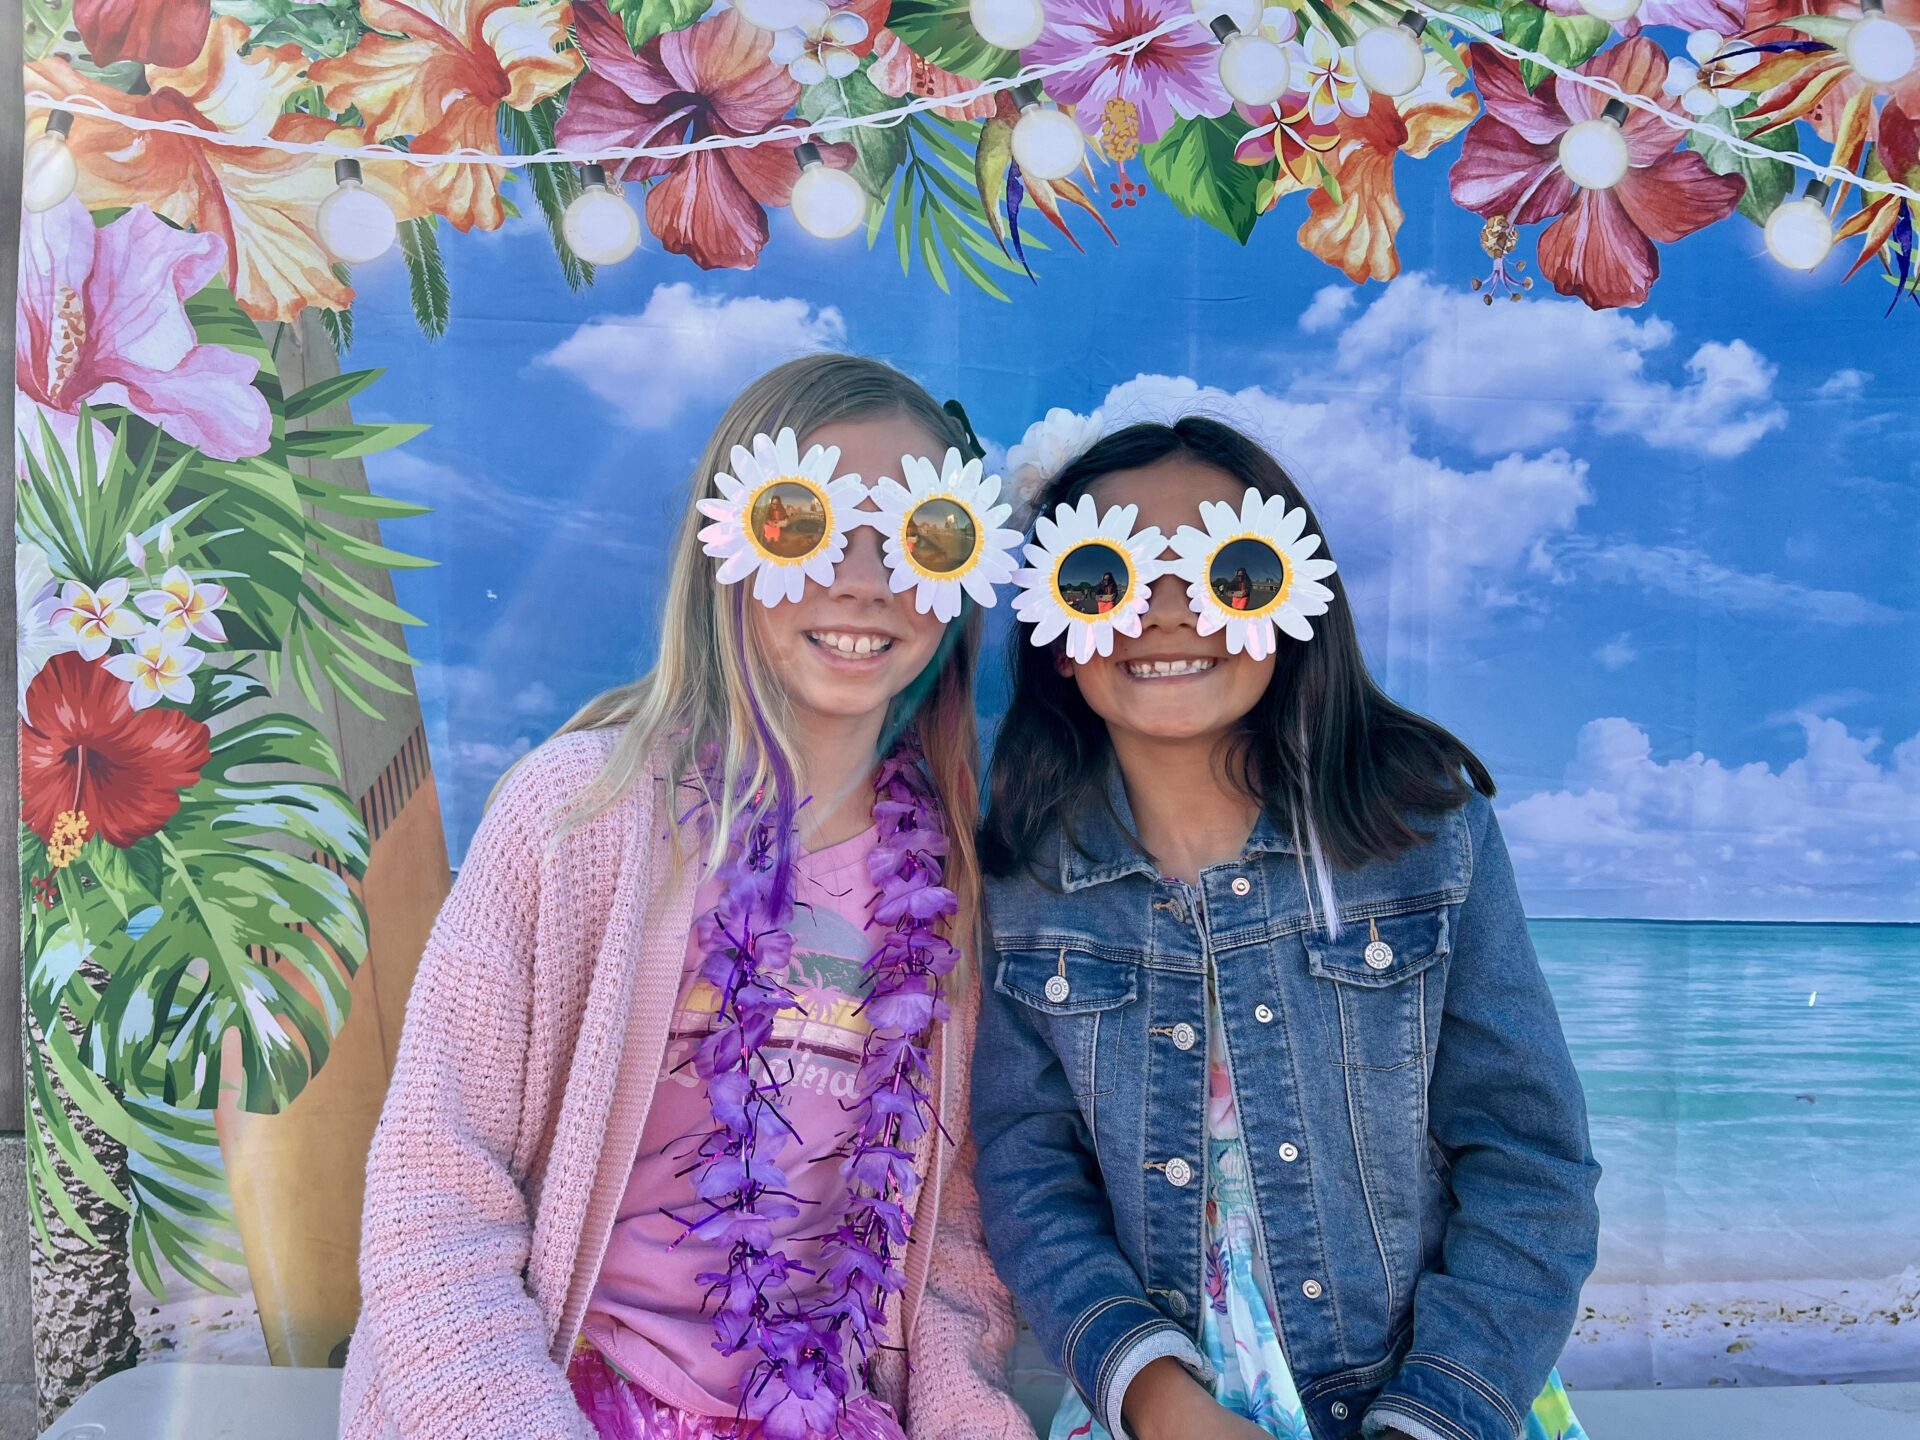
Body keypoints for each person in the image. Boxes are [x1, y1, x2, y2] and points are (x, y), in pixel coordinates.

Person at [341, 356, 1036, 1440]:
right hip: (557, 1398)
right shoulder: (579, 818)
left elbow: (943, 1247)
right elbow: (435, 1197)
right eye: (804, 523)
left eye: (920, 535)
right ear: (729, 545)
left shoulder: (947, 890)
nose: (864, 579)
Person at [972, 417, 1598, 1440]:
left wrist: (1435, 1415)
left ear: (1298, 599)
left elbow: (1531, 1164)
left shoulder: (1426, 831)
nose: (1168, 609)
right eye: (1105, 575)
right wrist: (1159, 1401)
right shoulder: (1025, 876)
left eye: (1230, 572)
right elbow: (1027, 1173)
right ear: (1053, 629)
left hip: (1440, 1406)